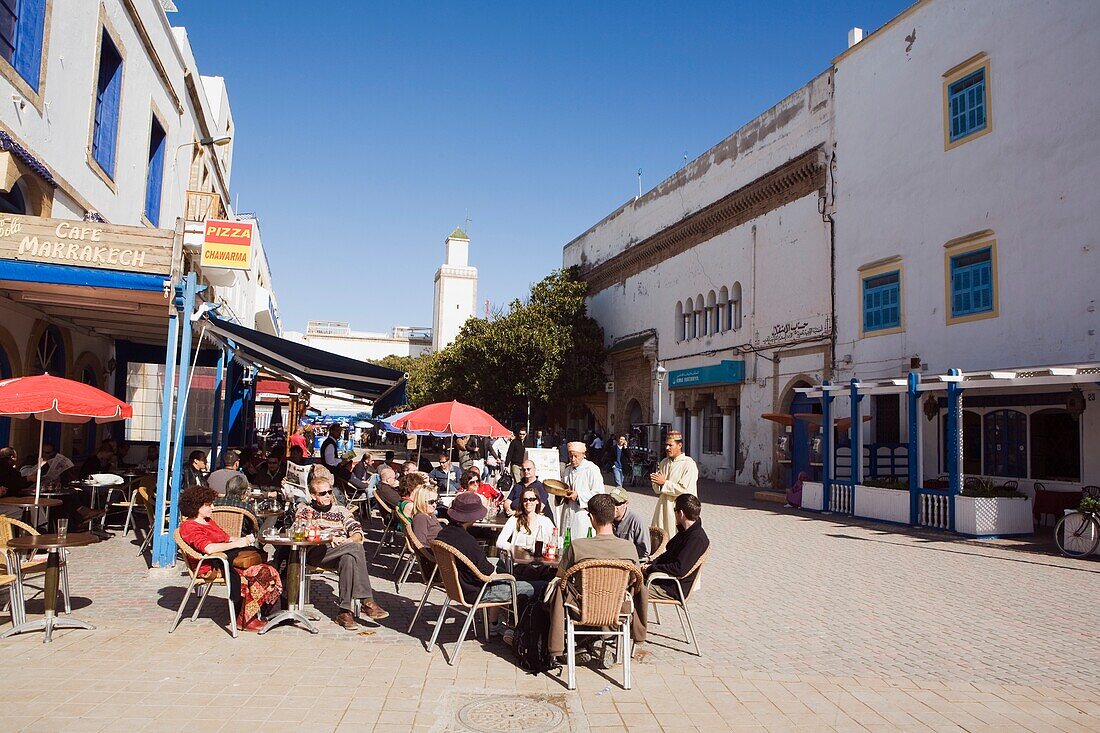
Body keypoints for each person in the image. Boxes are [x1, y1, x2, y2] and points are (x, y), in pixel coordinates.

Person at [547, 494, 647, 661]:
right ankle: (599, 642)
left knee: (554, 593)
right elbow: (636, 582)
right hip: (617, 609)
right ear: (612, 515)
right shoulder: (629, 548)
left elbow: (560, 577)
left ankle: (569, 646)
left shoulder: (577, 546)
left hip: (583, 608)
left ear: (591, 517)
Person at [177, 485, 283, 632]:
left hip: (226, 559)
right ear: (196, 506)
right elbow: (208, 548)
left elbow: (225, 538)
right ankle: (245, 619)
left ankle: (258, 611)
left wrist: (245, 540)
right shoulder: (189, 527)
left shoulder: (207, 520)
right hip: (212, 565)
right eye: (208, 504)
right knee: (263, 573)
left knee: (270, 569)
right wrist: (237, 543)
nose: (212, 507)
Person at [436, 492, 542, 635]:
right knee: (542, 586)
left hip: (459, 587)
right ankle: (527, 632)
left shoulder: (444, 534)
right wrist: (509, 576)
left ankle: (494, 623)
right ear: (472, 516)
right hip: (479, 592)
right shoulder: (468, 542)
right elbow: (489, 573)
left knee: (505, 568)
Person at [295, 473, 389, 629]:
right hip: (317, 552)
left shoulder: (341, 510)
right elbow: (298, 531)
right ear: (313, 495)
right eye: (323, 493)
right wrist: (328, 536)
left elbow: (357, 532)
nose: (328, 496)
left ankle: (344, 612)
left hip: (341, 550)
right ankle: (367, 600)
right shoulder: (305, 511)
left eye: (329, 491)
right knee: (355, 548)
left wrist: (348, 540)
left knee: (349, 558)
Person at [643, 493, 709, 600]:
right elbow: (668, 554)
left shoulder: (696, 539)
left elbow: (679, 568)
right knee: (628, 580)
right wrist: (650, 564)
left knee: (631, 590)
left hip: (671, 587)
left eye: (675, 510)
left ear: (681, 513)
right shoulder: (685, 531)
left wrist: (651, 568)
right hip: (664, 580)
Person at [649, 430, 699, 539]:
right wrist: (656, 482)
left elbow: (685, 490)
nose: (667, 448)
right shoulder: (663, 463)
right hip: (663, 508)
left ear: (679, 445)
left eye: (670, 445)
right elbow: (657, 490)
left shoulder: (689, 464)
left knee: (677, 540)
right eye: (666, 445)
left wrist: (664, 483)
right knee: (659, 539)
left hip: (679, 510)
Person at [562, 441, 604, 538]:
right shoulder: (567, 470)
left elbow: (599, 494)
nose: (573, 459)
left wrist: (578, 496)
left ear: (583, 455)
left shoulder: (592, 469)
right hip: (567, 511)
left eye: (576, 456)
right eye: (570, 456)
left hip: (582, 514)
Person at [495, 486, 555, 553]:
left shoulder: (545, 521)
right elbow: (499, 542)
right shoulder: (514, 520)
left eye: (531, 499)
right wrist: (516, 549)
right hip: (519, 560)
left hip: (540, 560)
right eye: (525, 500)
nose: (528, 502)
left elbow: (555, 541)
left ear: (537, 501)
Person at [505, 459, 554, 524]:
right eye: (524, 469)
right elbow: (507, 501)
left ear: (534, 470)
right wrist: (508, 510)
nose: (526, 471)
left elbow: (539, 508)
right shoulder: (517, 486)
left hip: (535, 523)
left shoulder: (541, 487)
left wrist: (516, 512)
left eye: (528, 469)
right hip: (516, 520)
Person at [609, 488, 650, 559]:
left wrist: (623, 551)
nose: (614, 507)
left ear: (626, 504)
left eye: (617, 504)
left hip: (630, 561)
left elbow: (645, 551)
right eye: (611, 503)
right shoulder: (607, 517)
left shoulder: (637, 521)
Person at [409, 483, 442, 547]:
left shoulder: (430, 515)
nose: (434, 505)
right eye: (431, 502)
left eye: (436, 501)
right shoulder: (421, 518)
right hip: (435, 553)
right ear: (421, 501)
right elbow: (420, 544)